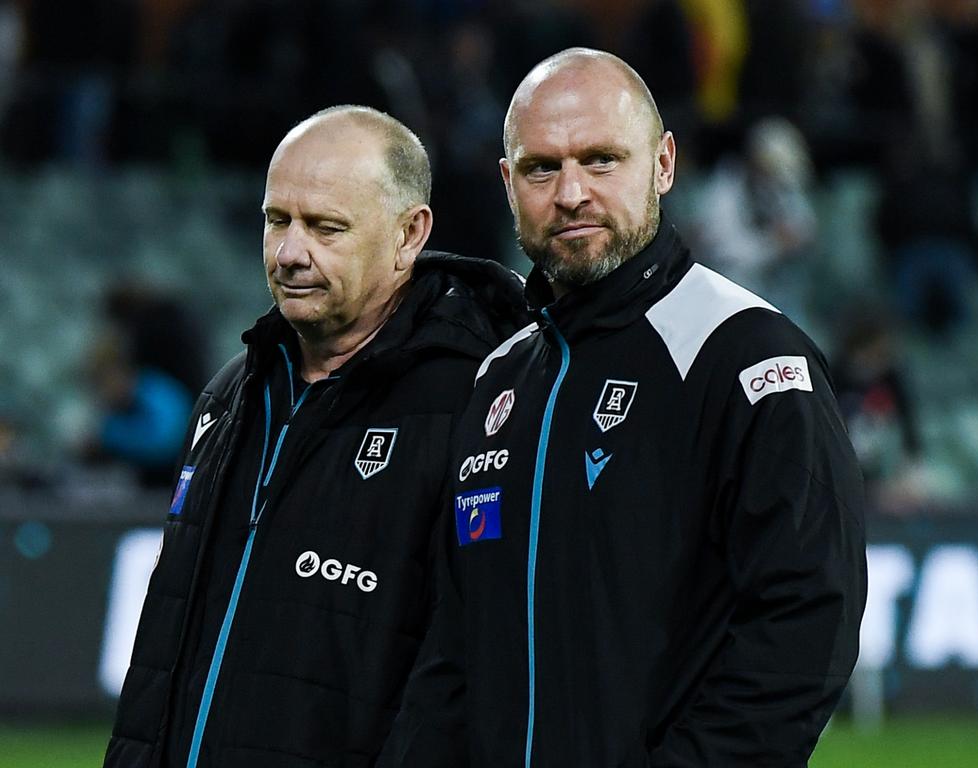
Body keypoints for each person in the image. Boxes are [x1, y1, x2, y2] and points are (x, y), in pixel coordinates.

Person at [381, 48, 867, 767]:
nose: (571, 192)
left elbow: (804, 620)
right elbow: (456, 643)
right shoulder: (499, 378)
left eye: (602, 159)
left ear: (664, 164)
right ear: (508, 185)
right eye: (542, 168)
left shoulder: (743, 354)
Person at [103, 105, 527, 767]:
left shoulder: (477, 407)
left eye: (326, 227)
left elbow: (478, 671)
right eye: (278, 221)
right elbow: (165, 644)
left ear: (408, 234)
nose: (291, 253)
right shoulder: (230, 396)